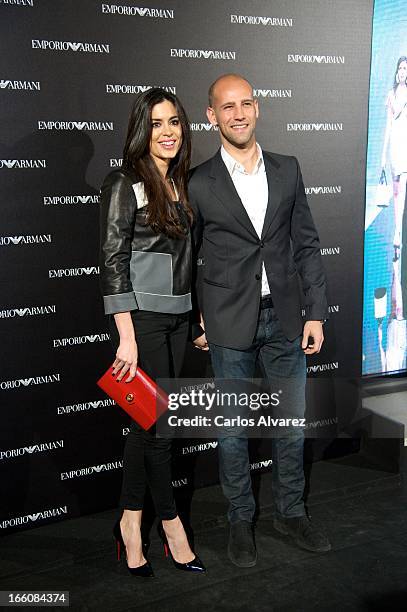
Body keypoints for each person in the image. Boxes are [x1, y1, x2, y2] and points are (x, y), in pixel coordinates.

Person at [189, 73, 331, 567]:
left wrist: (316, 313)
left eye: (246, 103)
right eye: (227, 107)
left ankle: (290, 513)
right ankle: (239, 521)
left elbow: (308, 245)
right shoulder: (198, 182)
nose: (239, 113)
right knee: (233, 431)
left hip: (287, 321)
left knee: (289, 427)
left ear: (258, 107)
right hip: (229, 326)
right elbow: (188, 257)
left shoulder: (287, 168)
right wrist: (197, 319)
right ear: (211, 116)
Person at [99, 88, 205, 576]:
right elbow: (114, 258)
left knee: (151, 427)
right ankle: (170, 526)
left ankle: (130, 520)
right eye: (158, 123)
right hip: (141, 320)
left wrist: (197, 314)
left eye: (175, 123)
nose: (169, 132)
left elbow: (188, 261)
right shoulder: (125, 181)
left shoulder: (182, 181)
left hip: (178, 318)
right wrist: (125, 333)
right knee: (156, 427)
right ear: (144, 130)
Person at [381, 56, 407, 264]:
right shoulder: (391, 95)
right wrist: (382, 156)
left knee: (402, 195)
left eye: (405, 68)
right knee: (396, 195)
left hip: (405, 149)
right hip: (394, 151)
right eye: (400, 68)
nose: (402, 71)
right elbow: (388, 126)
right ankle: (397, 234)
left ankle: (398, 236)